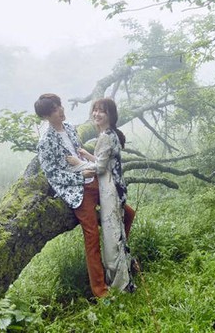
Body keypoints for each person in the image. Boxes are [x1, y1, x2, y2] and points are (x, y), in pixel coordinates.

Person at [34, 93, 135, 298]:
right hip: (77, 189)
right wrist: (81, 177)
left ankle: (119, 258)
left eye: (60, 105)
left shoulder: (69, 128)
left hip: (95, 179)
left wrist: (87, 165)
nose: (61, 110)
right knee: (92, 236)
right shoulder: (45, 141)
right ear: (46, 116)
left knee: (128, 214)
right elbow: (52, 175)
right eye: (55, 109)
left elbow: (81, 155)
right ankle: (100, 290)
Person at [67, 98, 135, 293]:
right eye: (94, 110)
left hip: (110, 191)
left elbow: (100, 168)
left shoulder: (106, 136)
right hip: (114, 189)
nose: (96, 114)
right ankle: (122, 279)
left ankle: (121, 285)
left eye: (101, 111)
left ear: (110, 115)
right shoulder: (110, 134)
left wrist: (76, 163)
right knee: (117, 234)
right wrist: (87, 155)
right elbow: (105, 160)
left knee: (113, 238)